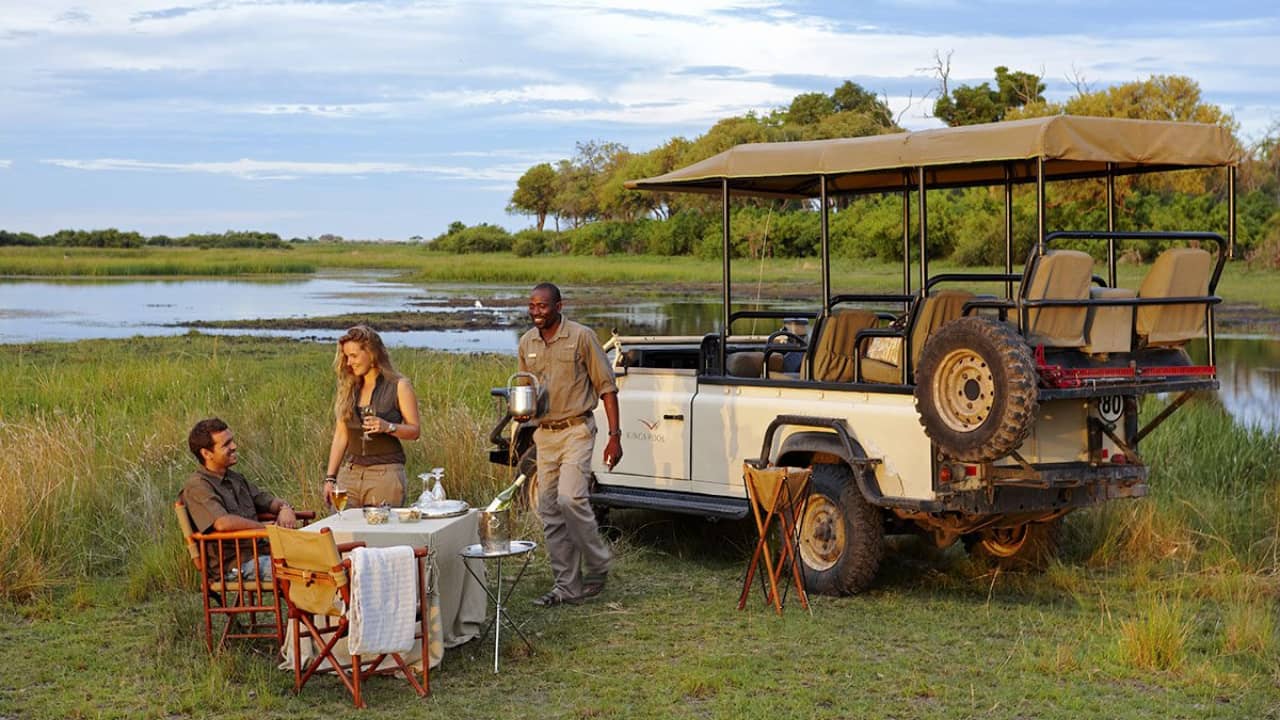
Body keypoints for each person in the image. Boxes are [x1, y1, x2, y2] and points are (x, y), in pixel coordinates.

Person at [516, 282, 622, 606]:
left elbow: (607, 388)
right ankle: (567, 587)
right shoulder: (526, 342)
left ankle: (598, 561)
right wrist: (522, 413)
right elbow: (525, 388)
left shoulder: (581, 336)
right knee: (549, 510)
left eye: (543, 306)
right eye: (532, 306)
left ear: (559, 306)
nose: (536, 312)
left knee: (570, 498)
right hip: (544, 433)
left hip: (577, 429)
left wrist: (615, 437)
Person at [180, 417, 298, 580]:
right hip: (236, 563)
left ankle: (316, 604)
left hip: (263, 551)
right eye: (226, 444)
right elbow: (222, 523)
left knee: (322, 558)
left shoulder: (235, 478)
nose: (234, 446)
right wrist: (265, 530)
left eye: (232, 441)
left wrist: (285, 508)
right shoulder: (198, 486)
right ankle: (308, 604)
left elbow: (268, 501)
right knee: (302, 570)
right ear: (207, 453)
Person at [323, 325, 422, 508]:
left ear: (371, 353)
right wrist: (330, 478)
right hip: (349, 475)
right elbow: (341, 436)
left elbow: (415, 431)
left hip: (385, 474)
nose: (349, 362)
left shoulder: (399, 385)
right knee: (343, 533)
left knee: (380, 534)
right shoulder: (348, 388)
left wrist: (388, 427)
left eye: (353, 356)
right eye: (346, 357)